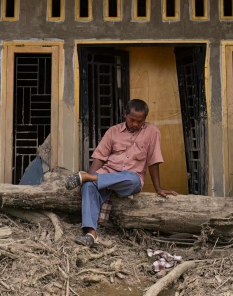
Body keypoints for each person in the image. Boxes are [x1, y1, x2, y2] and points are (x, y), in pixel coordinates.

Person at [65, 99, 178, 246]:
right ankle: (91, 234)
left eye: (140, 121)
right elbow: (100, 157)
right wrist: (87, 181)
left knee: (133, 180)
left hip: (129, 179)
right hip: (106, 173)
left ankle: (87, 177)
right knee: (88, 187)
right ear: (125, 114)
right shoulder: (113, 131)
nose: (135, 124)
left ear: (145, 118)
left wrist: (158, 188)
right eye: (132, 120)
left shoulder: (152, 132)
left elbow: (153, 160)